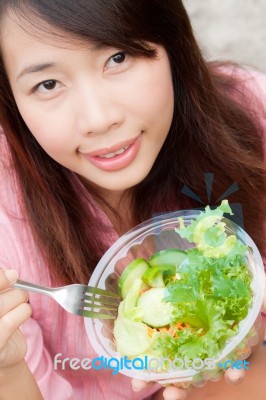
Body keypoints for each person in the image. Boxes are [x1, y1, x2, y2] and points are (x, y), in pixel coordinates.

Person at [0, 0, 265, 399]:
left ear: (171, 43)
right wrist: (7, 369)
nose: (98, 118)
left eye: (117, 58)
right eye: (48, 84)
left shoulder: (252, 112)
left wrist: (244, 332)